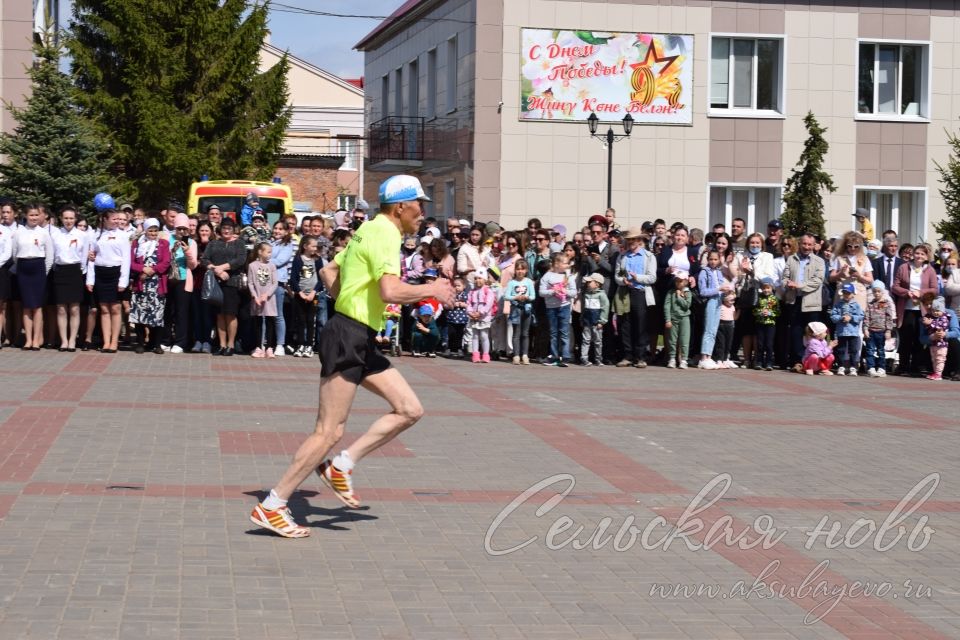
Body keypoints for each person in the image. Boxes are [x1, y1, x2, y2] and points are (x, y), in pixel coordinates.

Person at [249, 174, 454, 538]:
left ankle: (341, 465)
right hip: (348, 335)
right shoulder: (386, 233)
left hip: (357, 335)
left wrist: (346, 303)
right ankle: (273, 504)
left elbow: (330, 270)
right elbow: (390, 290)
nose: (423, 211)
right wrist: (433, 288)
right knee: (328, 432)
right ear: (401, 206)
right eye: (419, 204)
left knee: (409, 409)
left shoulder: (368, 229)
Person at [86, 209, 131, 353]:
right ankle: (106, 342)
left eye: (119, 219)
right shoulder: (96, 235)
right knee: (104, 309)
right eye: (114, 219)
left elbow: (126, 260)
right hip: (100, 273)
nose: (117, 221)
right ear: (104, 219)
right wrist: (90, 280)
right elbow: (92, 259)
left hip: (116, 273)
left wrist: (123, 282)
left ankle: (114, 342)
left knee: (116, 308)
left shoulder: (123, 236)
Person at [201, 218, 246, 356]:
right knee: (220, 314)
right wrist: (217, 270)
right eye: (224, 228)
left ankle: (230, 345)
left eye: (229, 228)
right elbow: (204, 260)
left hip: (232, 283)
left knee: (231, 314)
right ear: (220, 229)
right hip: (216, 282)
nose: (227, 230)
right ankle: (221, 344)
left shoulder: (239, 243)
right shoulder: (214, 243)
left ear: (233, 230)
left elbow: (240, 260)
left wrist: (223, 267)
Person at [12, 204, 55, 350]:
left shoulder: (44, 233)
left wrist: (44, 271)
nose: (34, 218)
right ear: (26, 216)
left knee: (37, 307)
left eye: (36, 215)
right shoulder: (19, 232)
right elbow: (14, 253)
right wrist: (21, 267)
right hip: (23, 269)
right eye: (31, 215)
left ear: (40, 216)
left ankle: (37, 340)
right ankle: (28, 340)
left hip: (38, 269)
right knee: (26, 306)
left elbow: (50, 256)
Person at [892, 243, 937, 376]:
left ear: (926, 256)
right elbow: (895, 286)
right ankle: (903, 366)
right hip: (906, 308)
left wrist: (921, 293)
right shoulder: (903, 267)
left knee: (920, 338)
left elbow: (935, 290)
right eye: (917, 253)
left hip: (923, 309)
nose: (919, 256)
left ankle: (916, 367)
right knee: (906, 338)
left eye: (922, 254)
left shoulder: (930, 270)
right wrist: (907, 293)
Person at [615, 228, 657, 368]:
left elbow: (652, 277)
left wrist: (637, 277)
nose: (631, 242)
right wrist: (623, 281)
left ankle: (640, 356)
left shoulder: (649, 256)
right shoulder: (622, 256)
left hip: (640, 292)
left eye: (634, 240)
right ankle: (627, 355)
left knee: (640, 324)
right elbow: (617, 276)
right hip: (625, 292)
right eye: (629, 240)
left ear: (639, 240)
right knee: (625, 324)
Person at [782, 234, 826, 369]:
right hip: (794, 299)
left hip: (811, 301)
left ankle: (813, 360)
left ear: (814, 246)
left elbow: (817, 281)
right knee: (796, 331)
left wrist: (800, 285)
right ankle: (798, 361)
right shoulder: (791, 259)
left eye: (810, 244)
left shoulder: (819, 261)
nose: (807, 247)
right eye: (804, 244)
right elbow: (784, 277)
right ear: (800, 244)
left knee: (812, 332)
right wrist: (787, 284)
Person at [129, 218, 171, 354]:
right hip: (140, 284)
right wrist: (142, 269)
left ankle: (156, 344)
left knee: (157, 314)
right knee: (139, 314)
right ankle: (141, 343)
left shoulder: (163, 244)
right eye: (150, 231)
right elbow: (131, 262)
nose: (153, 233)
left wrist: (152, 270)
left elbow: (166, 262)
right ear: (145, 231)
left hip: (156, 283)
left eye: (155, 231)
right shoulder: (136, 244)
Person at [51, 206, 89, 351]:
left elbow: (84, 256)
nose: (68, 221)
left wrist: (81, 271)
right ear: (61, 218)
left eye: (71, 218)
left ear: (75, 219)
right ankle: (64, 341)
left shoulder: (82, 235)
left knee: (74, 308)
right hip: (60, 271)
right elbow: (53, 254)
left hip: (75, 271)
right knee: (61, 309)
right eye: (66, 218)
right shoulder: (55, 234)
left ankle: (72, 340)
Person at [162, 214, 198, 353]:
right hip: (168, 278)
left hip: (183, 279)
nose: (182, 232)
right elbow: (163, 259)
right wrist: (173, 251)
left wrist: (186, 250)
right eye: (179, 229)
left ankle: (180, 342)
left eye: (184, 229)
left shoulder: (192, 243)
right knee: (167, 311)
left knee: (181, 312)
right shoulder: (167, 240)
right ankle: (166, 340)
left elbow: (193, 265)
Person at [538, 252, 577, 367]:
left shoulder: (568, 277)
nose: (567, 265)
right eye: (565, 263)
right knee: (553, 333)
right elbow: (541, 292)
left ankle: (565, 357)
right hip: (551, 308)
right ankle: (554, 356)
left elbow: (574, 292)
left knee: (564, 332)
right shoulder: (547, 276)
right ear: (556, 263)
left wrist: (565, 292)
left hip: (564, 307)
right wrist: (552, 292)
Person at [697, 250, 734, 370]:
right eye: (711, 259)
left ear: (719, 260)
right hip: (710, 301)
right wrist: (719, 289)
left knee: (713, 330)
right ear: (707, 260)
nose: (713, 262)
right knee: (708, 329)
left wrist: (726, 291)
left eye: (715, 259)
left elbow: (721, 288)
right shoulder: (704, 272)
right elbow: (703, 291)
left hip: (718, 301)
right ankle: (703, 358)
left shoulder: (718, 272)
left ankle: (709, 356)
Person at [290, 236, 323, 358]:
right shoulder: (298, 259)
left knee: (310, 320)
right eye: (313, 246)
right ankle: (300, 345)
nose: (315, 248)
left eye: (316, 246)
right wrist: (300, 293)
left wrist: (314, 292)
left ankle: (309, 345)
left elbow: (321, 279)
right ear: (305, 246)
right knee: (301, 320)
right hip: (301, 295)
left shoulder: (317, 260)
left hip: (313, 295)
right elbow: (293, 278)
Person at [248, 241, 279, 358]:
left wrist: (267, 294)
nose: (270, 254)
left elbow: (275, 283)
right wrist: (255, 296)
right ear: (260, 252)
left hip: (269, 298)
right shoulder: (252, 266)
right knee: (258, 322)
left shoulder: (272, 266)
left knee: (270, 321)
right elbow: (250, 283)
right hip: (257, 298)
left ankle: (269, 347)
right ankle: (258, 347)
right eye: (268, 252)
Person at [268, 220, 295, 356]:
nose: (277, 231)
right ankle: (265, 344)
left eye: (280, 229)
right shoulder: (269, 243)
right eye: (275, 228)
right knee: (265, 315)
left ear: (285, 231)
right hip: (265, 282)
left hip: (278, 281)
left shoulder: (287, 245)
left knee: (278, 315)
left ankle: (280, 344)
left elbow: (280, 261)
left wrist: (264, 260)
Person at [829, 282, 865, 375]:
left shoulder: (856, 305)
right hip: (841, 332)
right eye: (844, 292)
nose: (846, 295)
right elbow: (833, 316)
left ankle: (853, 367)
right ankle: (841, 366)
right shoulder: (838, 304)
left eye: (848, 293)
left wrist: (851, 317)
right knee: (841, 350)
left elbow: (861, 316)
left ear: (853, 294)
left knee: (853, 350)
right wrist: (841, 318)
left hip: (853, 332)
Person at [864, 280, 895, 377]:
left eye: (879, 291)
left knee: (881, 350)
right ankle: (871, 368)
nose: (876, 293)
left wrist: (888, 330)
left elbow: (889, 318)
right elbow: (866, 317)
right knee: (870, 350)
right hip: (871, 331)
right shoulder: (870, 304)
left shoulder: (886, 304)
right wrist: (865, 329)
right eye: (874, 291)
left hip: (881, 331)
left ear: (883, 292)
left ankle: (882, 368)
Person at [663, 272, 693, 369]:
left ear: (685, 282)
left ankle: (684, 360)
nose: (678, 283)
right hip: (673, 318)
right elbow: (666, 306)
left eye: (680, 281)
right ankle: (672, 358)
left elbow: (686, 306)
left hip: (684, 318)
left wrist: (679, 297)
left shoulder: (688, 293)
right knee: (672, 340)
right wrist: (668, 319)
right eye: (676, 281)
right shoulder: (670, 292)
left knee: (684, 340)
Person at [579, 272, 609, 367]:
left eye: (590, 282)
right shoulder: (586, 294)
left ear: (597, 284)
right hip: (587, 321)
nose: (588, 284)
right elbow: (583, 308)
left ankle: (598, 359)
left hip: (597, 322)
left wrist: (602, 321)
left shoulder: (602, 295)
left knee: (598, 341)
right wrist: (582, 318)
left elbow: (605, 308)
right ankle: (584, 358)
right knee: (585, 340)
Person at [467, 269, 496, 363]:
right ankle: (475, 354)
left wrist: (480, 313)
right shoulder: (472, 292)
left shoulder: (488, 291)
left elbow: (488, 304)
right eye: (475, 278)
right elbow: (468, 303)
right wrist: (471, 312)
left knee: (484, 335)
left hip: (484, 317)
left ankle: (486, 354)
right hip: (474, 317)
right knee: (475, 336)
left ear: (484, 279)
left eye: (480, 278)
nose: (477, 280)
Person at [753, 277, 779, 371]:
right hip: (760, 323)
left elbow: (778, 312)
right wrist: (760, 312)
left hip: (770, 324)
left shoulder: (775, 299)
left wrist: (770, 313)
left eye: (768, 288)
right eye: (764, 288)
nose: (766, 290)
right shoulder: (759, 298)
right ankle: (759, 361)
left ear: (772, 288)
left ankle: (769, 362)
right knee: (760, 343)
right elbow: (754, 310)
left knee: (769, 344)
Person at [922, 297, 950, 380]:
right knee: (934, 358)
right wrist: (926, 323)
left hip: (942, 344)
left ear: (942, 310)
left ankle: (939, 373)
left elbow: (942, 325)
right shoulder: (932, 317)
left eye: (938, 311)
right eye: (933, 311)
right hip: (933, 343)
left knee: (940, 358)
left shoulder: (945, 317)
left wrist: (931, 323)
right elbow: (928, 329)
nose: (935, 313)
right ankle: (935, 372)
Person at [714, 292, 739, 369]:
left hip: (730, 326)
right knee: (721, 343)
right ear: (725, 300)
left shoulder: (733, 307)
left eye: (733, 300)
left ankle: (725, 359)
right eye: (731, 300)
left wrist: (739, 311)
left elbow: (735, 318)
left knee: (728, 344)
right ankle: (719, 359)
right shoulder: (720, 306)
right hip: (721, 325)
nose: (733, 302)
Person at [446, 276, 469, 357]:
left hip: (462, 319)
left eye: (458, 286)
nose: (456, 288)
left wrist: (464, 305)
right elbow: (446, 304)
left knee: (459, 334)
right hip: (451, 318)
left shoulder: (466, 295)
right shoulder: (451, 295)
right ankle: (449, 348)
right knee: (451, 334)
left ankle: (459, 348)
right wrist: (452, 304)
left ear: (464, 286)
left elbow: (470, 305)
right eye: (455, 286)